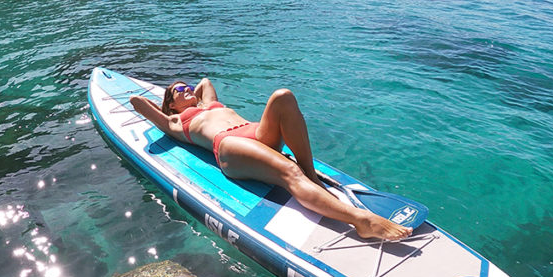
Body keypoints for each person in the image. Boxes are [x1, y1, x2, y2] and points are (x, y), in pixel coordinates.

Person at [129, 78, 413, 242]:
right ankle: (362, 221)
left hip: (255, 132)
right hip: (230, 147)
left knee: (283, 97)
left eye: (185, 86)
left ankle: (311, 175)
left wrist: (187, 92)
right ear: (170, 105)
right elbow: (137, 102)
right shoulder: (177, 120)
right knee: (288, 171)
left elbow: (205, 82)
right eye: (178, 91)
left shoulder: (205, 102)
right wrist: (168, 103)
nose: (186, 89)